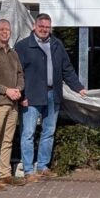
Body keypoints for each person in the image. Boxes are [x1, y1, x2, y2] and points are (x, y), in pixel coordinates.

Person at [16, 13, 87, 183]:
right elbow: (16, 73)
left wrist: (78, 87)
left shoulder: (57, 44)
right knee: (28, 133)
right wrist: (22, 95)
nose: (44, 30)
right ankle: (27, 169)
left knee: (49, 132)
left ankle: (42, 166)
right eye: (41, 26)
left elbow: (67, 69)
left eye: (47, 27)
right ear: (34, 26)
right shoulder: (23, 46)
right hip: (31, 96)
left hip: (52, 94)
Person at [0, 19, 26, 191]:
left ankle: (5, 173)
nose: (4, 32)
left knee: (7, 141)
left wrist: (18, 89)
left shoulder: (14, 54)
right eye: (1, 29)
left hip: (13, 103)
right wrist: (6, 90)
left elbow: (20, 74)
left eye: (7, 29)